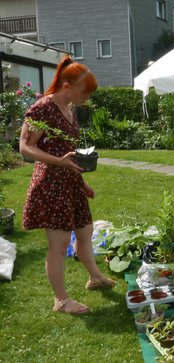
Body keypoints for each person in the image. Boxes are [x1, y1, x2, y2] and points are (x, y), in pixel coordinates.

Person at [19, 56, 115, 315]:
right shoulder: (43, 108)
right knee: (59, 244)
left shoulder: (70, 109)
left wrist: (81, 181)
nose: (87, 97)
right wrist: (59, 163)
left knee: (85, 233)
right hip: (50, 184)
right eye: (85, 92)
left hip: (70, 182)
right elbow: (25, 146)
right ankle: (60, 300)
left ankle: (95, 277)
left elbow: (67, 151)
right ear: (67, 85)